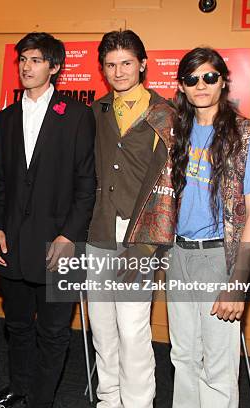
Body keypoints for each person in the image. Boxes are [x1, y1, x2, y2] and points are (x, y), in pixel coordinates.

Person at [0, 32, 96, 408]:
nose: (27, 67)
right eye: (23, 60)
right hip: (12, 242)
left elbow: (87, 187)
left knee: (52, 332)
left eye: (35, 60)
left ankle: (41, 400)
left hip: (60, 244)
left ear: (55, 67)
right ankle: (18, 388)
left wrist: (69, 236)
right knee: (16, 326)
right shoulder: (4, 118)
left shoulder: (78, 115)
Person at [168, 47, 250, 408]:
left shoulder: (247, 135)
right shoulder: (175, 134)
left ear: (224, 81)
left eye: (210, 77)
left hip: (218, 258)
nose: (201, 85)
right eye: (192, 79)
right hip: (177, 256)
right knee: (182, 356)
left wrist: (237, 284)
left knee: (217, 365)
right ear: (181, 86)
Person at [86, 30, 177, 408]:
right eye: (110, 64)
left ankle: (138, 402)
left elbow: (171, 184)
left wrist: (147, 243)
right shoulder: (95, 111)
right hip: (98, 228)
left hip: (140, 232)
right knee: (102, 328)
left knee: (133, 327)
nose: (118, 71)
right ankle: (109, 399)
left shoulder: (165, 113)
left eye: (126, 63)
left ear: (142, 64)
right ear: (103, 69)